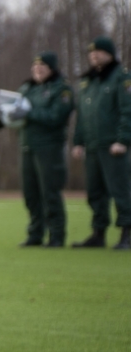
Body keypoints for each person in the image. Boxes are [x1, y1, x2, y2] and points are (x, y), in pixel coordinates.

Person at [70, 36, 131, 250]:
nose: (94, 55)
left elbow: (127, 111)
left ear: (110, 54)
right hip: (92, 145)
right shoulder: (88, 81)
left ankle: (127, 233)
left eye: (99, 51)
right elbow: (82, 116)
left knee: (121, 190)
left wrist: (123, 140)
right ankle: (98, 233)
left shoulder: (120, 78)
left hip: (113, 145)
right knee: (95, 192)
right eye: (91, 52)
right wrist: (78, 142)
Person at [16, 52, 74, 247]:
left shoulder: (61, 89)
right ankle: (36, 233)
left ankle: (57, 235)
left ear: (51, 69)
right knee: (30, 193)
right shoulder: (27, 88)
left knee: (50, 192)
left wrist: (29, 112)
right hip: (28, 146)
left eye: (42, 67)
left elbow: (56, 117)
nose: (37, 70)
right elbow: (17, 113)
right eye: (34, 66)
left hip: (49, 148)